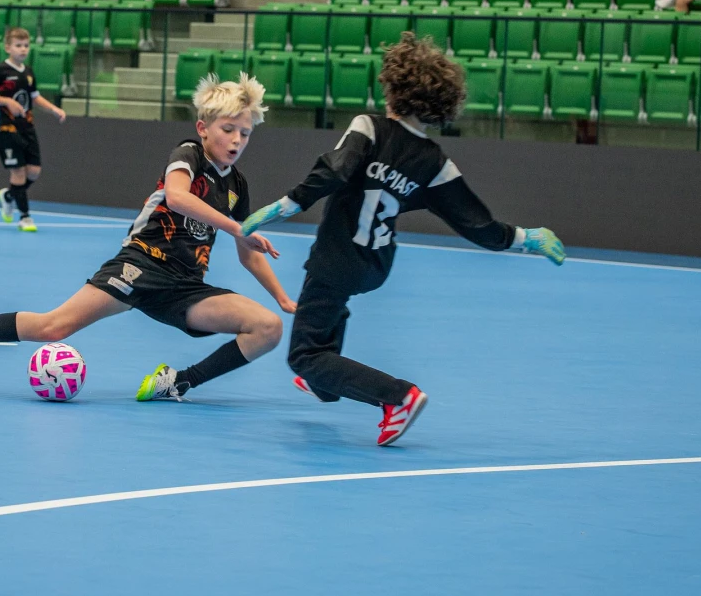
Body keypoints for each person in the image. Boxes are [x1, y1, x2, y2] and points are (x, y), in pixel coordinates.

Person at [239, 33, 565, 446]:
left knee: (305, 356)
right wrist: (525, 239)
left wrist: (286, 205)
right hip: (375, 265)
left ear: (393, 87)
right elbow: (474, 221)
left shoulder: (369, 127)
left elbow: (336, 169)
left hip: (336, 258)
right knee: (326, 331)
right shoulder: (435, 163)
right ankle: (326, 383)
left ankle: (398, 397)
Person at [0, 74, 296, 400]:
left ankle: (178, 382)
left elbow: (248, 252)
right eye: (228, 129)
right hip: (141, 264)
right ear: (203, 128)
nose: (237, 140)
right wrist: (236, 227)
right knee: (53, 328)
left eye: (245, 133)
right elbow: (177, 197)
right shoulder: (188, 153)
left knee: (267, 328)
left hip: (185, 287)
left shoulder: (237, 186)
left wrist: (281, 297)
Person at [0, 27, 67, 233]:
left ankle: (9, 195)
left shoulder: (28, 72)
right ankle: (25, 216)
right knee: (18, 172)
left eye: (26, 46)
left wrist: (54, 109)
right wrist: (7, 102)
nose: (23, 49)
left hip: (27, 127)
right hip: (6, 128)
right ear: (8, 48)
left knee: (34, 172)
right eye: (18, 45)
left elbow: (35, 97)